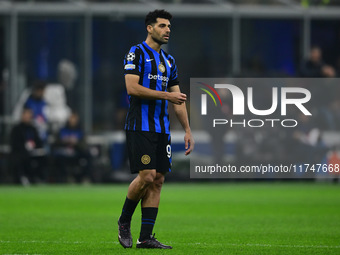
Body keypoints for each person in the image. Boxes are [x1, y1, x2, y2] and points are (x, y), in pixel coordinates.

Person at [118, 9, 194, 249]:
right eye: (162, 25)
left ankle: (145, 238)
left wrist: (188, 130)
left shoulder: (169, 61)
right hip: (140, 126)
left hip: (162, 128)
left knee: (158, 180)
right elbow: (132, 88)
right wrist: (165, 95)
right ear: (149, 28)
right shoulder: (136, 52)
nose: (168, 30)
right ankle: (124, 221)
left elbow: (177, 99)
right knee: (147, 176)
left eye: (169, 26)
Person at [10, 108, 47, 185]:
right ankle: (23, 177)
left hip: (33, 152)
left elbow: (38, 141)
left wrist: (34, 146)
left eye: (29, 115)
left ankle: (40, 178)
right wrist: (25, 147)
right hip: (20, 152)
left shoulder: (33, 129)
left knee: (44, 157)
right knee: (20, 157)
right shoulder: (16, 129)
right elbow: (15, 143)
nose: (27, 117)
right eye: (25, 115)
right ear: (22, 116)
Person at [53, 112, 92, 183]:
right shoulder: (62, 130)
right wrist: (64, 141)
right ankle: (66, 178)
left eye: (75, 119)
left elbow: (84, 144)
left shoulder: (80, 131)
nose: (73, 121)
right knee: (58, 157)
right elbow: (56, 142)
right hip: (64, 152)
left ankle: (84, 178)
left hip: (76, 152)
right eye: (71, 118)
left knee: (88, 155)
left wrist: (76, 142)